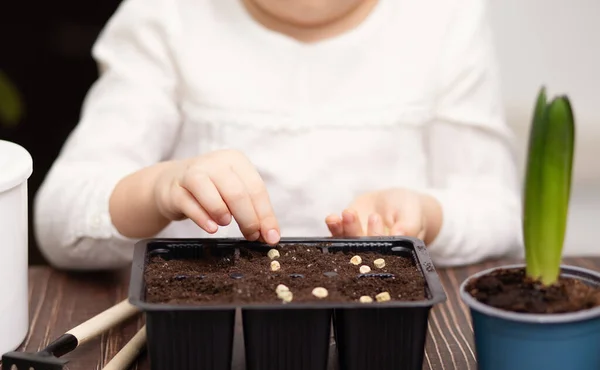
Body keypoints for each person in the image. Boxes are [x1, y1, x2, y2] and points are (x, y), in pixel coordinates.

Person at [34, 0, 523, 270]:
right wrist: (160, 187)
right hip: (205, 339)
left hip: (389, 343)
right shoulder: (164, 17)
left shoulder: (444, 18)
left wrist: (426, 214)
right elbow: (59, 220)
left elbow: (498, 212)